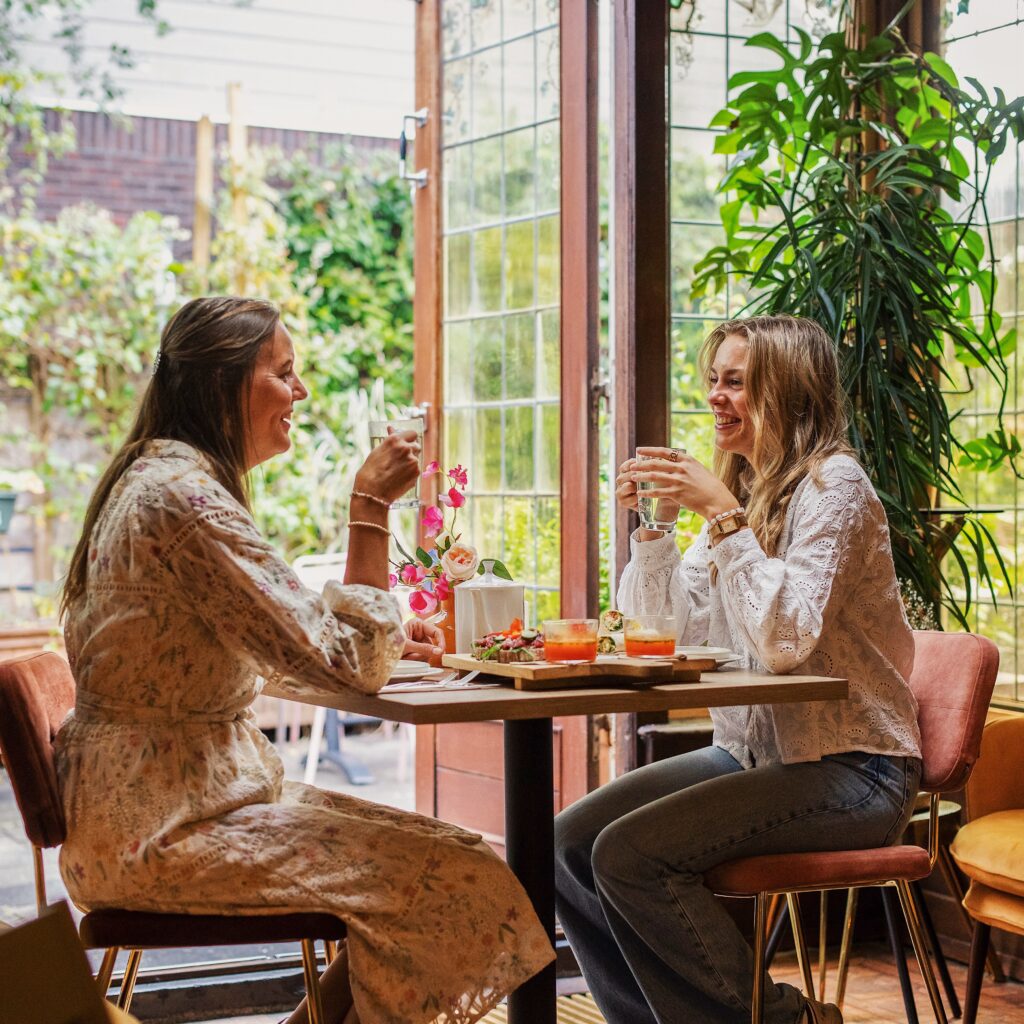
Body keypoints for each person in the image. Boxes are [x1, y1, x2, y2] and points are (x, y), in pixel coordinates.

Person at [56, 297, 554, 1024]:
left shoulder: (159, 480)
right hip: (164, 830)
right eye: (284, 373)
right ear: (224, 385)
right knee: (457, 879)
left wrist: (370, 637)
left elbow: (282, 641)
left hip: (163, 807)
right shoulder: (186, 501)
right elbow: (345, 662)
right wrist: (370, 505)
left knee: (454, 862)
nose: (302, 391)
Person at [554, 315, 922, 1024]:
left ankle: (787, 1020)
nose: (716, 397)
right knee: (570, 845)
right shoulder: (750, 492)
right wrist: (657, 525)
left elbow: (786, 640)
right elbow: (660, 631)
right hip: (752, 758)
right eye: (713, 381)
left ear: (786, 390)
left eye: (736, 382)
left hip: (859, 770)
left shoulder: (833, 487)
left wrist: (724, 519)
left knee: (630, 857)